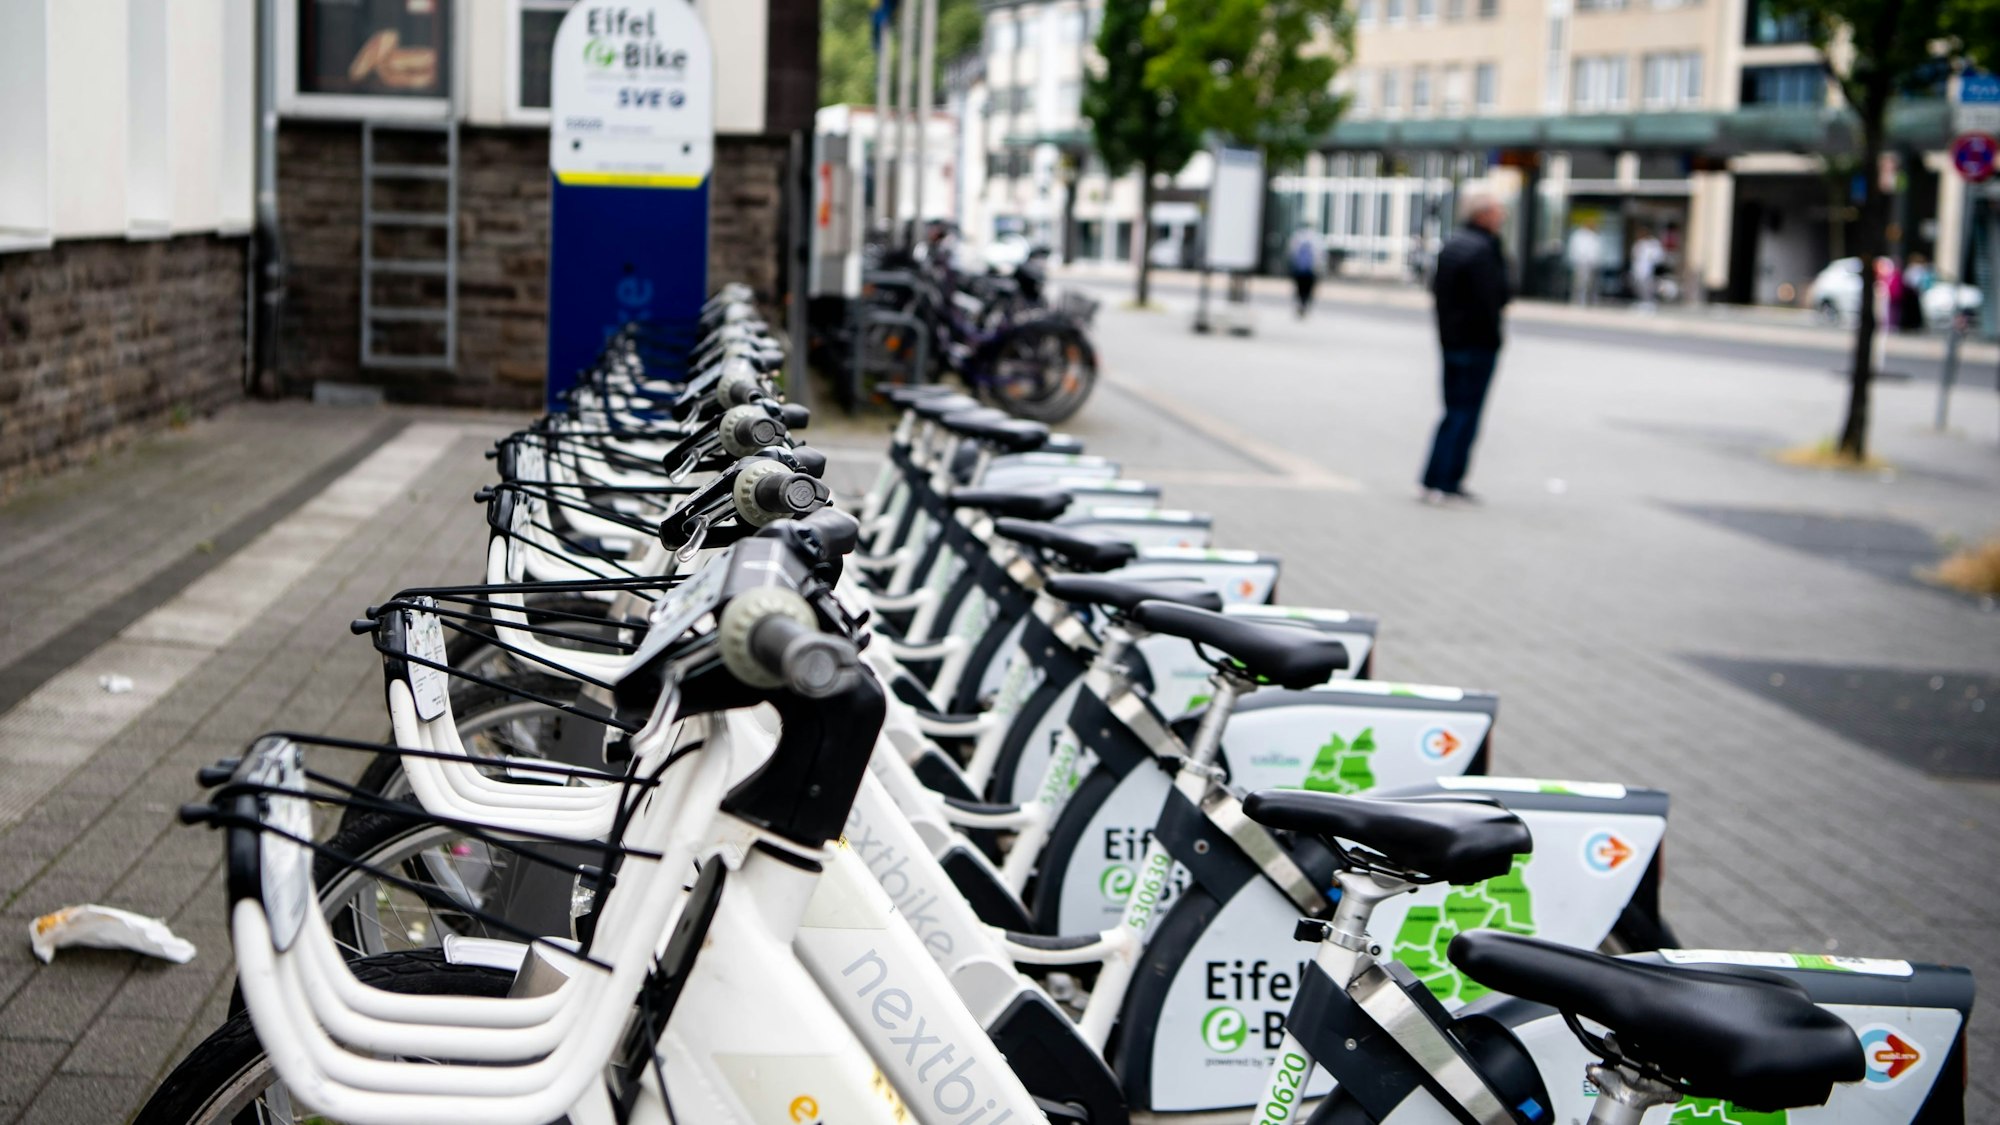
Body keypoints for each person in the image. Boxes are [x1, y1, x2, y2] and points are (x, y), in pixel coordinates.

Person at [1420, 193, 1511, 505]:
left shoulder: (1453, 245)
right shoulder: (1485, 249)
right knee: (1466, 414)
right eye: (1499, 210)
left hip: (1451, 341)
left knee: (1451, 411)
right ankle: (1448, 481)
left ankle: (1433, 478)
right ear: (1483, 214)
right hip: (1477, 344)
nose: (1503, 216)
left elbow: (1438, 293)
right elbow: (1495, 298)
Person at [1565, 218, 1602, 306]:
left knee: (1590, 284)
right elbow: (1575, 249)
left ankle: (1588, 301)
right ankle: (1577, 301)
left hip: (1591, 264)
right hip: (1580, 262)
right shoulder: (1578, 235)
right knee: (1579, 283)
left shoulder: (1593, 236)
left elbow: (1595, 251)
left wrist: (1595, 262)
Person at [1287, 225, 1322, 318]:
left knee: (1300, 288)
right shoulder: (1316, 238)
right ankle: (1304, 304)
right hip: (1310, 270)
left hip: (1299, 270)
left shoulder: (1297, 237)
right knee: (1308, 289)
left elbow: (1291, 252)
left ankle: (1301, 304)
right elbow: (1320, 255)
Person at [1629, 226, 1663, 309]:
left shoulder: (1653, 244)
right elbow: (1634, 256)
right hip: (1638, 269)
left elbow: (1658, 257)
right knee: (1638, 287)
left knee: (1647, 287)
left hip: (1648, 270)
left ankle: (1649, 303)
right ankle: (1642, 302)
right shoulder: (1639, 244)